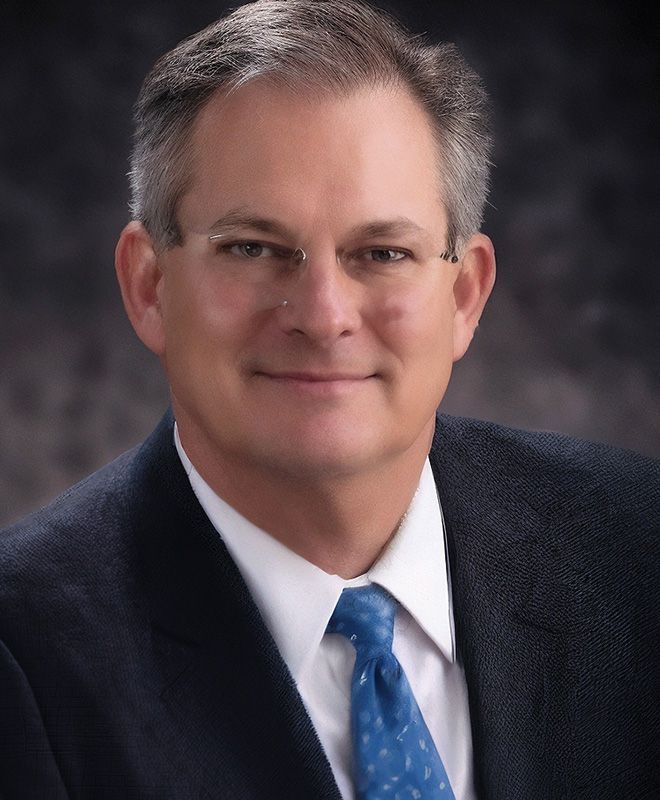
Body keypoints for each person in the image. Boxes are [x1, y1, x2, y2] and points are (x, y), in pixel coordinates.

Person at [1, 1, 657, 798]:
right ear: (150, 285)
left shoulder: (637, 552)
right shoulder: (25, 660)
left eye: (382, 252)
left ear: (464, 296)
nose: (322, 315)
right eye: (253, 248)